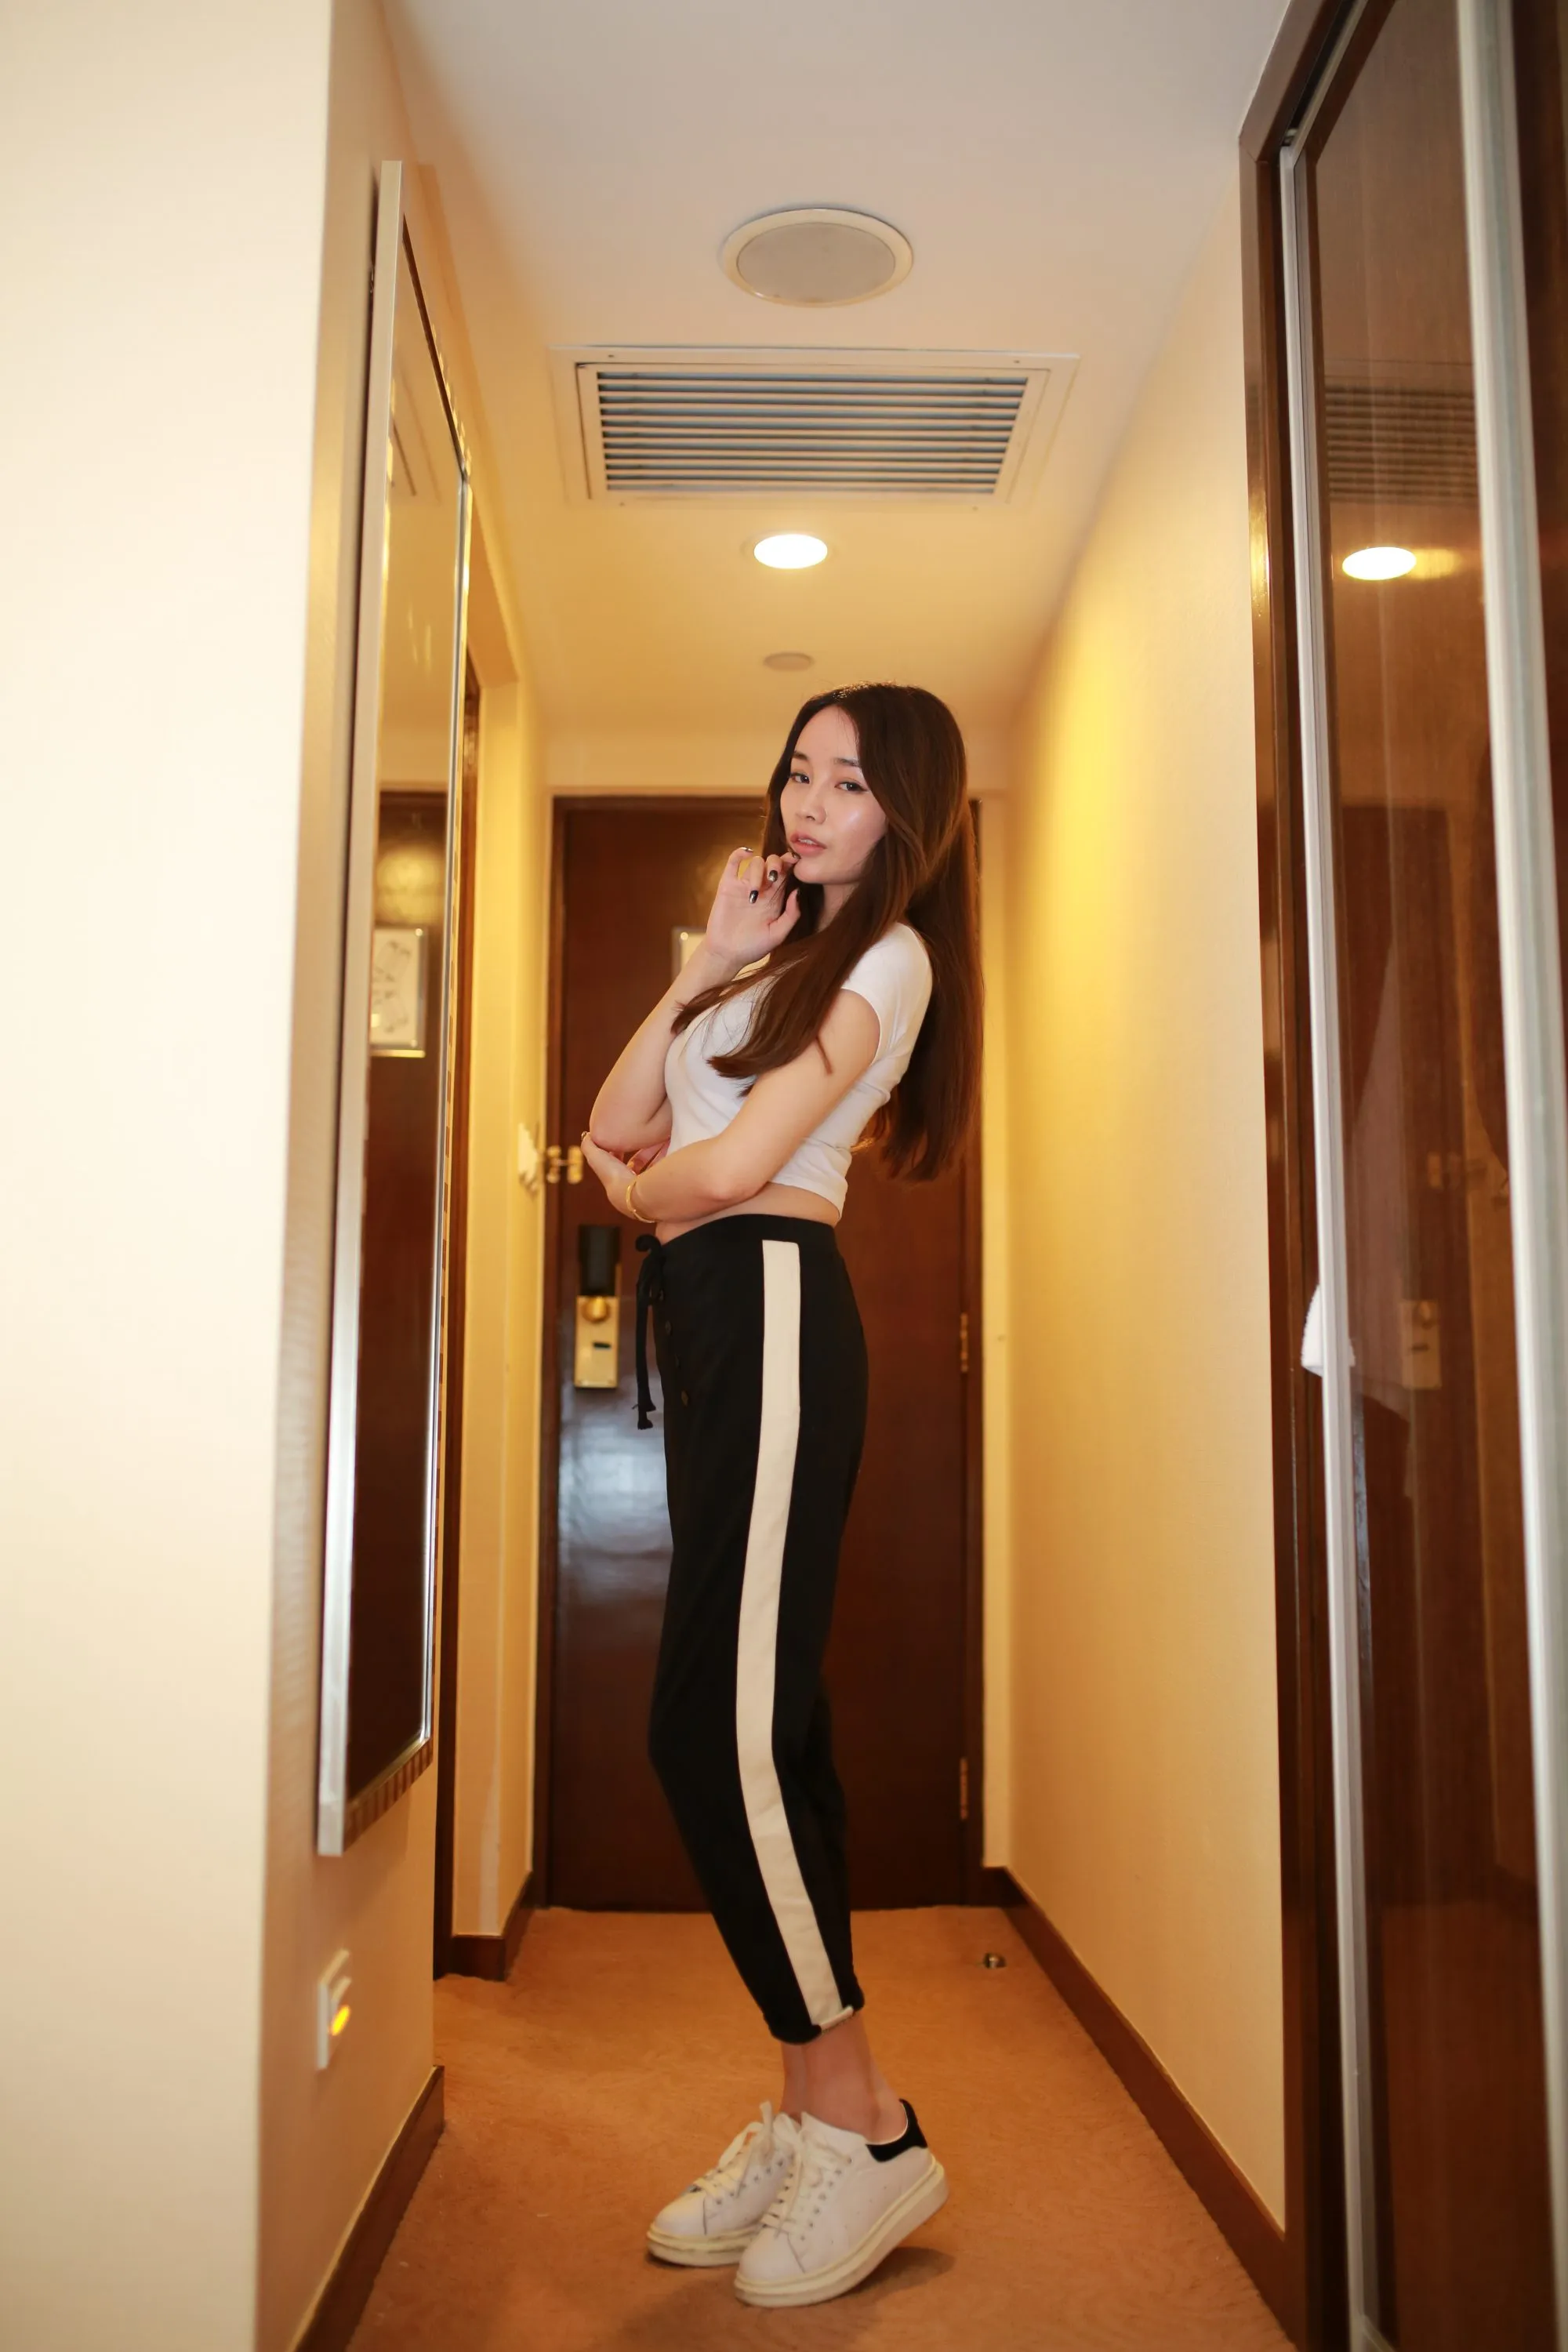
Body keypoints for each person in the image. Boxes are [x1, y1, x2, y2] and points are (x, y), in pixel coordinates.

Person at [582, 681, 981, 2310]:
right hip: (713, 1316)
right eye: (799, 773)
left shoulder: (892, 962)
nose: (810, 805)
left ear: (907, 812)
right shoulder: (760, 960)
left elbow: (729, 1173)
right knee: (764, 1726)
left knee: (717, 1731)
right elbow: (608, 1124)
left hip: (773, 1307)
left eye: (850, 783)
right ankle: (828, 2115)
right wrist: (699, 965)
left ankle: (864, 2124)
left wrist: (642, 1198)